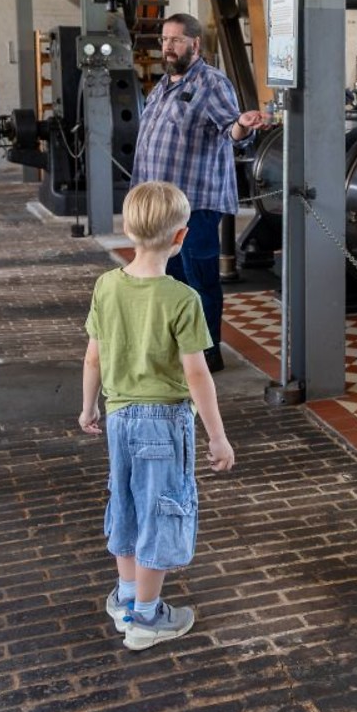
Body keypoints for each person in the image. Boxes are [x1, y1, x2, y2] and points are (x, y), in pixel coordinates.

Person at [79, 180, 235, 651]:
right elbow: (198, 375)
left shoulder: (107, 286)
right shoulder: (182, 298)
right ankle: (145, 618)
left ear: (127, 229)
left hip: (119, 417)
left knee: (125, 504)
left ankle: (127, 597)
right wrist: (218, 437)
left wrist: (88, 407)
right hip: (164, 423)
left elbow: (93, 357)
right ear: (181, 237)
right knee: (161, 511)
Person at [132, 13, 271, 373]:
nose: (167, 47)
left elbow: (231, 130)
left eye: (175, 40)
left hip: (196, 205)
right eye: (164, 40)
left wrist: (243, 124)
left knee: (200, 281)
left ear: (195, 44)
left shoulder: (212, 83)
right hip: (160, 208)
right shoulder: (162, 87)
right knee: (172, 280)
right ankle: (182, 346)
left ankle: (208, 352)